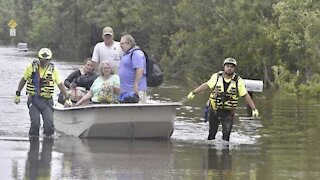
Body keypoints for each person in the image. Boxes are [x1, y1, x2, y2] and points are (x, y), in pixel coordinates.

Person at [187, 57, 259, 141]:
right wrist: (193, 92)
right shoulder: (216, 77)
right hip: (214, 109)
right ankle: (211, 153)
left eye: (231, 66)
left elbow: (245, 95)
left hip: (228, 112)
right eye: (227, 66)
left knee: (227, 134)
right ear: (224, 67)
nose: (229, 68)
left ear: (234, 68)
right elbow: (206, 85)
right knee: (212, 134)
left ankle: (226, 152)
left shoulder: (238, 81)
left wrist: (253, 108)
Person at [14, 48, 71, 137]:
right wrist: (18, 93)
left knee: (49, 126)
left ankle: (47, 146)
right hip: (33, 100)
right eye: (41, 60)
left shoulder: (53, 70)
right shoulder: (31, 67)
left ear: (49, 60)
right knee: (35, 123)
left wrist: (67, 98)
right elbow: (23, 80)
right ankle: (33, 145)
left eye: (45, 61)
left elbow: (60, 84)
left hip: (47, 101)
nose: (43, 62)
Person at [118, 34, 147, 103]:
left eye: (122, 43)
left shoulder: (136, 53)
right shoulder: (125, 54)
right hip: (126, 91)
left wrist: (136, 84)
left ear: (129, 43)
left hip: (136, 91)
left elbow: (140, 69)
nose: (120, 46)